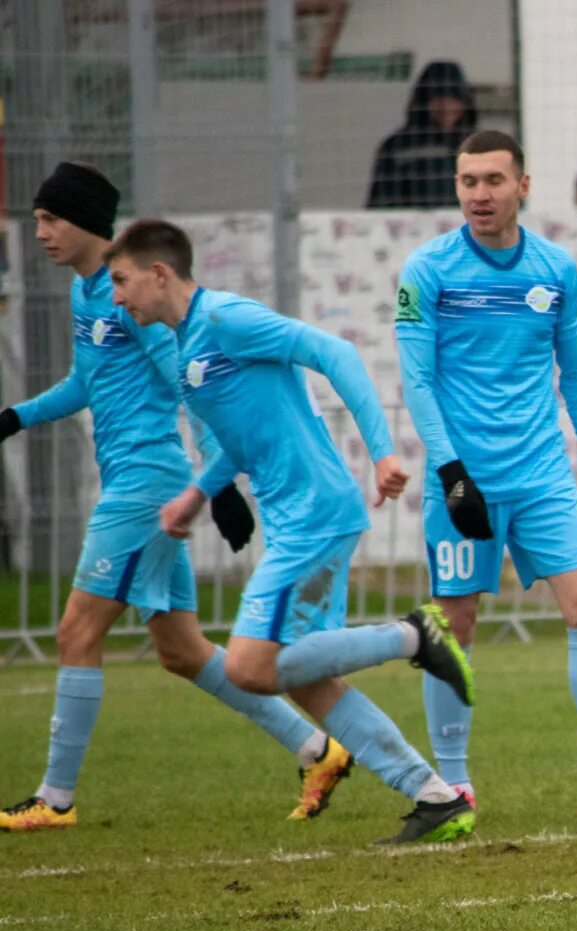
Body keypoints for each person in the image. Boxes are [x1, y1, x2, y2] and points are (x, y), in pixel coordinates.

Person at [0, 163, 354, 833]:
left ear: (84, 224)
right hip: (144, 487)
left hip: (145, 488)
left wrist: (220, 482)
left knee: (76, 633)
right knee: (183, 652)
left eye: (50, 220)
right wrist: (16, 417)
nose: (39, 231)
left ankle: (55, 799)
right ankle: (318, 749)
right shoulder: (86, 296)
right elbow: (87, 382)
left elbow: (191, 382)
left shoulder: (128, 292)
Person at [106, 219, 480, 845]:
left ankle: (411, 635)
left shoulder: (225, 319)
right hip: (296, 518)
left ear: (159, 273)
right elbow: (239, 438)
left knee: (252, 669)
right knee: (305, 675)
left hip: (314, 513)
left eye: (121, 281)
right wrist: (199, 494)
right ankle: (434, 796)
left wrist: (384, 453)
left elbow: (337, 354)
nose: (117, 297)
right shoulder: (184, 347)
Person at [394, 130, 577, 822]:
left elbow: (575, 373)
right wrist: (453, 471)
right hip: (464, 480)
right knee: (453, 627)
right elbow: (417, 380)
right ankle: (451, 786)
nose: (479, 194)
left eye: (493, 180)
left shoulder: (554, 270)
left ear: (523, 185)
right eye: (467, 182)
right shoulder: (427, 270)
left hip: (544, 475)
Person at [366, 61, 477, 209]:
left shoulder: (480, 145)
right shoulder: (396, 146)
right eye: (437, 100)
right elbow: (379, 204)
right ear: (423, 102)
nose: (446, 108)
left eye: (453, 100)